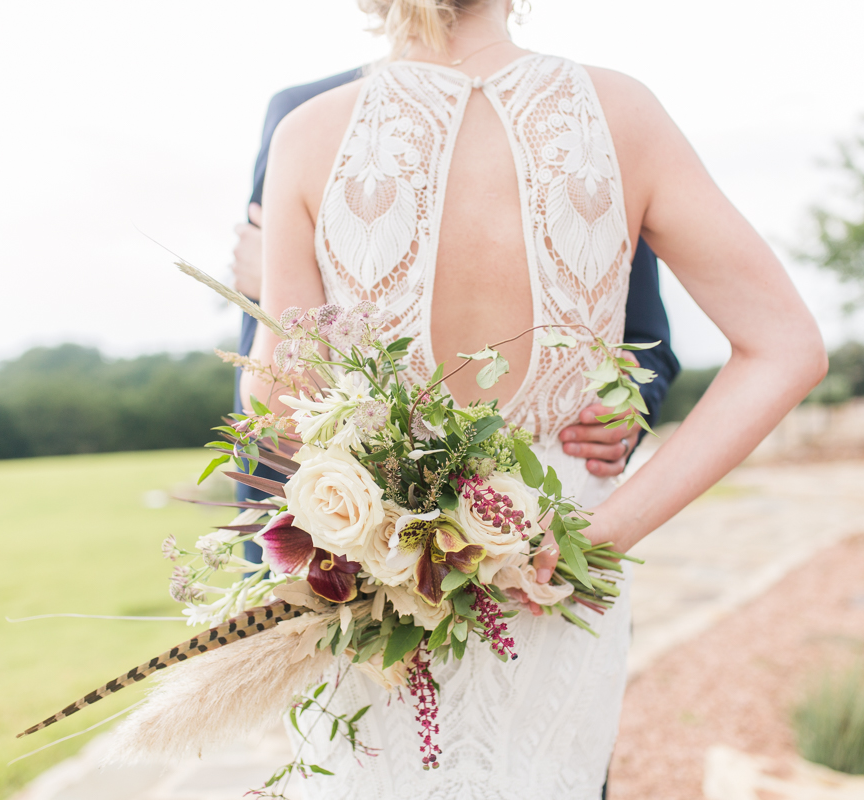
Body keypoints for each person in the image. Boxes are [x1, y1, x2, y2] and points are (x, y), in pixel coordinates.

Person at [242, 1, 828, 797]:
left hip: (378, 571)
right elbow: (786, 347)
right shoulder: (624, 115)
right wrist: (600, 534)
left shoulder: (309, 134)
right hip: (557, 572)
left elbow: (277, 405)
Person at [231, 70, 681, 564]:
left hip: (558, 516)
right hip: (353, 540)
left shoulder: (586, 123)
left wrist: (631, 407)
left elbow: (638, 330)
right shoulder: (304, 114)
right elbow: (280, 382)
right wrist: (275, 296)